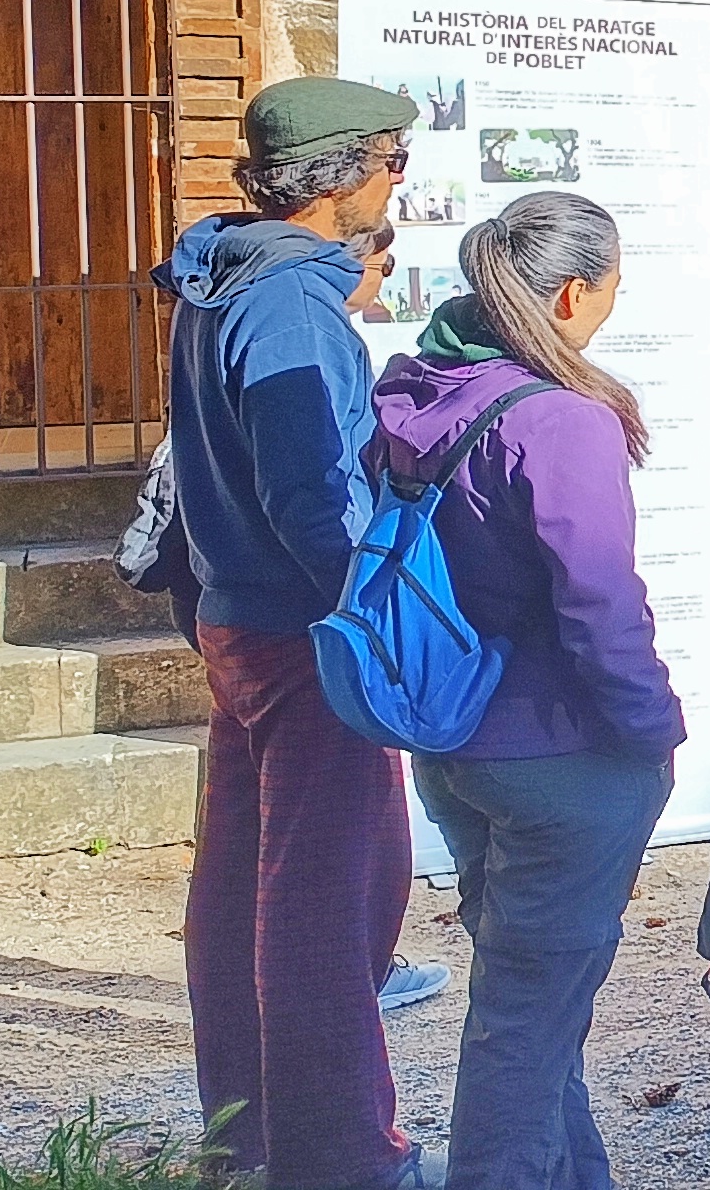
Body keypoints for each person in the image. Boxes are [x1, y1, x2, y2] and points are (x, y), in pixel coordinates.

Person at [372, 191, 684, 1190]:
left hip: (454, 742)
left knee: (536, 1009)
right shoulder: (558, 421)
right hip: (561, 752)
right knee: (524, 1023)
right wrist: (653, 732)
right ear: (572, 294)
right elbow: (601, 606)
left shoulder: (416, 387)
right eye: (610, 290)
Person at [165, 76, 427, 1190]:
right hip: (303, 632)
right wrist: (368, 615)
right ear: (348, 174)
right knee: (330, 899)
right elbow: (315, 495)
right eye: (396, 158)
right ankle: (342, 1161)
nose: (401, 180)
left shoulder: (224, 277)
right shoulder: (289, 304)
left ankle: (250, 1138)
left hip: (239, 620)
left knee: (244, 891)